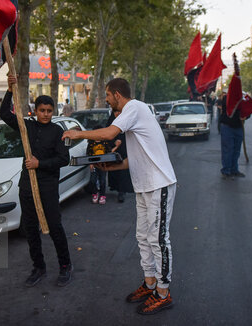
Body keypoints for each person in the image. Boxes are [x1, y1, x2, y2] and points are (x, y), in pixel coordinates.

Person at [62, 77, 176, 315]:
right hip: (143, 186)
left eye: (107, 96)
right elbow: (133, 160)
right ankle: (150, 283)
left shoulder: (134, 107)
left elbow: (109, 133)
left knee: (158, 239)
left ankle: (163, 293)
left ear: (116, 94)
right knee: (143, 237)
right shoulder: (134, 117)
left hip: (159, 185)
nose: (106, 100)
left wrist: (79, 134)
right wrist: (109, 167)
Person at [0, 74, 73, 288]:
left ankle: (65, 266)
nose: (46, 114)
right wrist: (9, 90)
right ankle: (38, 267)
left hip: (47, 186)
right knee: (30, 228)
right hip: (27, 186)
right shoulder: (27, 127)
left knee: (55, 226)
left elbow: (63, 158)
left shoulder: (57, 131)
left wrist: (39, 164)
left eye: (49, 111)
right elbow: (5, 113)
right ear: (36, 110)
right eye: (42, 110)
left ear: (53, 111)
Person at [105, 110, 134, 203]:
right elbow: (108, 133)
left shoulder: (127, 120)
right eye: (115, 112)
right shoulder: (111, 121)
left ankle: (122, 191)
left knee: (123, 171)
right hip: (115, 149)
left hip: (126, 148)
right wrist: (114, 142)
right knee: (115, 170)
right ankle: (117, 188)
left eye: (119, 112)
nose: (117, 114)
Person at [219, 93, 246, 179]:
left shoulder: (243, 98)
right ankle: (226, 171)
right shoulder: (227, 98)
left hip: (238, 127)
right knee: (228, 150)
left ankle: (234, 170)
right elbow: (228, 109)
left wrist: (245, 116)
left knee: (236, 150)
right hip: (227, 126)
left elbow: (247, 110)